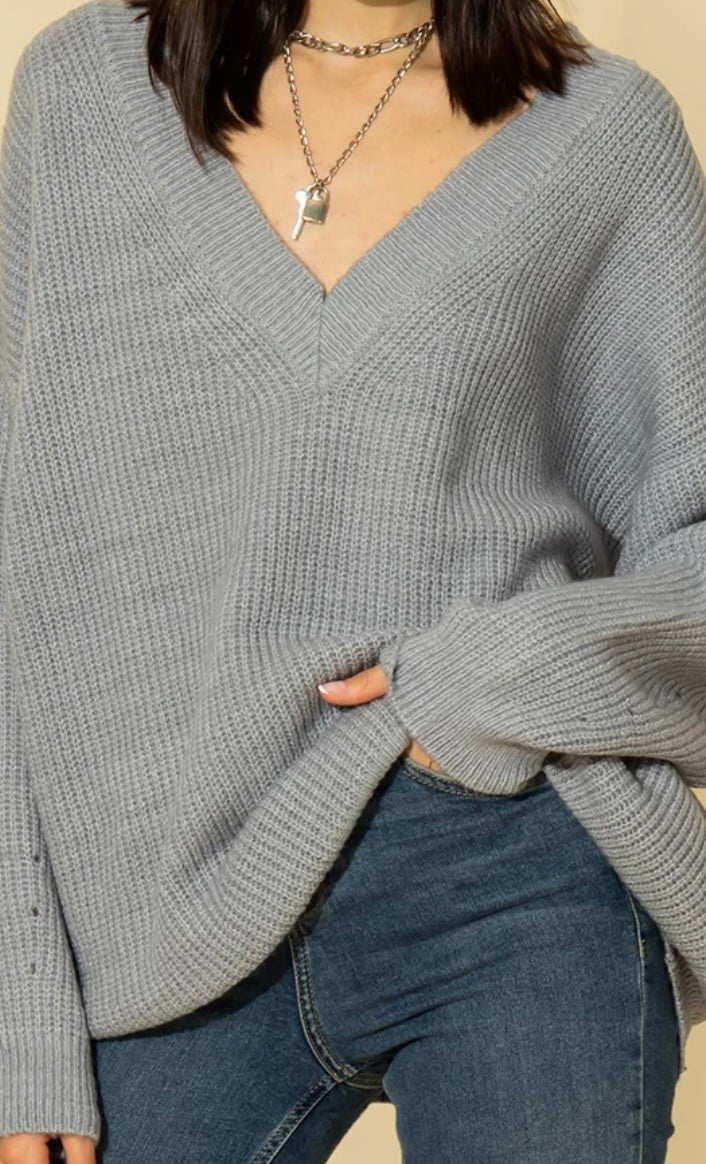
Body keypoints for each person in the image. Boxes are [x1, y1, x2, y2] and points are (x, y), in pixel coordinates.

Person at [1, 0, 705, 1160]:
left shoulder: (601, 134)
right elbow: (20, 568)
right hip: (162, 897)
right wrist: (20, 1020)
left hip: (508, 858)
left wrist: (487, 677)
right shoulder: (85, 89)